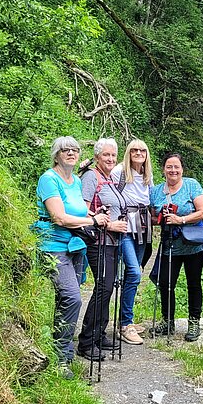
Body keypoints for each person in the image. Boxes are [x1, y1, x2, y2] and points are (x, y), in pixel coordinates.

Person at [35, 137, 108, 379]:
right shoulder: (49, 179)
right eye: (65, 150)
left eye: (74, 150)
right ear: (56, 155)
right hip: (53, 246)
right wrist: (92, 221)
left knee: (66, 300)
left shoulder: (75, 180)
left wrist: (94, 213)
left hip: (75, 247)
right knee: (72, 297)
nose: (70, 153)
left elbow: (76, 209)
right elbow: (59, 217)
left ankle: (60, 351)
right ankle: (62, 358)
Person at [77, 138, 128, 359]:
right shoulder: (91, 177)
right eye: (106, 155)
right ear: (97, 157)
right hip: (98, 241)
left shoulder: (109, 179)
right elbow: (82, 210)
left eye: (113, 156)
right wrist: (110, 224)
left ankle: (99, 334)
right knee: (103, 287)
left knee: (109, 287)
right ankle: (86, 341)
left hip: (112, 242)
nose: (110, 159)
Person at [150, 153, 203, 340]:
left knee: (193, 283)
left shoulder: (192, 185)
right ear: (163, 169)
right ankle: (168, 321)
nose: (173, 170)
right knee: (166, 283)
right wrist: (161, 218)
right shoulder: (157, 191)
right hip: (169, 245)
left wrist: (180, 219)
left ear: (182, 169)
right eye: (169, 167)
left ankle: (194, 322)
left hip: (192, 245)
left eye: (176, 167)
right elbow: (152, 216)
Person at [112, 139, 153, 345]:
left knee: (134, 273)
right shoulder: (119, 172)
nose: (138, 153)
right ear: (128, 152)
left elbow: (149, 199)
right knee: (134, 272)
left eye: (142, 150)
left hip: (142, 226)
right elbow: (108, 195)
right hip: (125, 226)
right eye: (134, 150)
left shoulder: (147, 175)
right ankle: (125, 324)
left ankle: (125, 320)